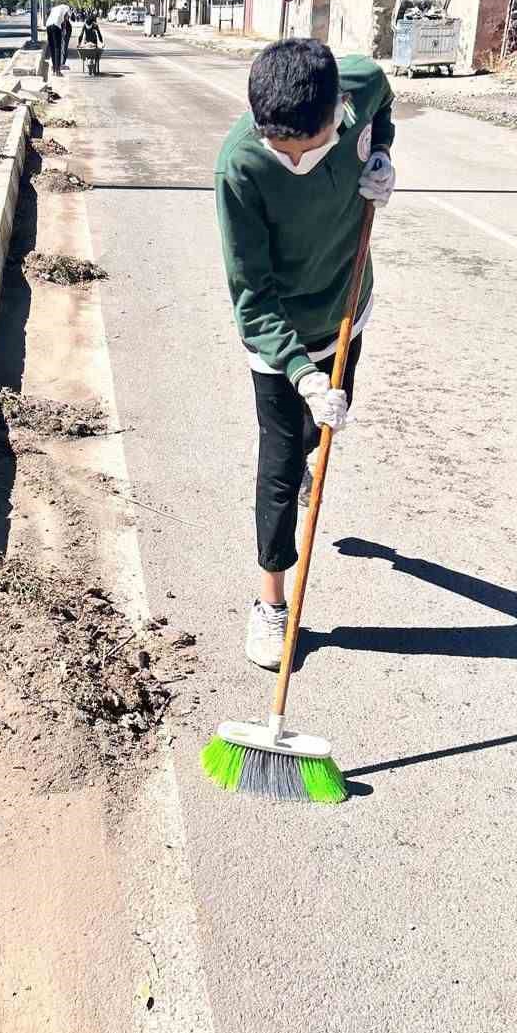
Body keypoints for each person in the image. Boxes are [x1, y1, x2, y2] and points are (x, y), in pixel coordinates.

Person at [214, 38, 396, 670]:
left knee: (320, 434)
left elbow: (384, 95)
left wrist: (381, 156)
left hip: (345, 303)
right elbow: (253, 297)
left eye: (306, 147)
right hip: (279, 330)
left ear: (336, 115)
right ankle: (270, 600)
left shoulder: (356, 88)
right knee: (281, 463)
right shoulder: (241, 168)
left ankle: (309, 455)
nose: (292, 159)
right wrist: (302, 374)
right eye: (279, 148)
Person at [45, 1, 70, 75]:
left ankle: (54, 69)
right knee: (57, 48)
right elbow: (65, 19)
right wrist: (64, 30)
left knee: (52, 48)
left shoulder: (55, 8)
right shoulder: (66, 8)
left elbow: (49, 15)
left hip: (48, 25)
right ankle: (58, 71)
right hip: (56, 25)